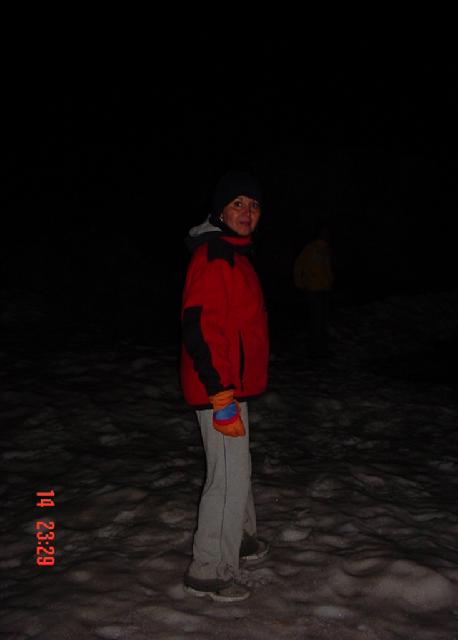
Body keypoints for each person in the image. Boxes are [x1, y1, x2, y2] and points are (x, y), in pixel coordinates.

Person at [180, 171, 270, 603]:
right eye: (237, 204)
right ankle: (209, 569)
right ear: (220, 211)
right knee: (228, 477)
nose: (247, 212)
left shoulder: (235, 253)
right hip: (219, 388)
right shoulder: (216, 255)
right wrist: (220, 395)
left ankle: (243, 538)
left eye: (253, 205)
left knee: (238, 467)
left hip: (232, 385)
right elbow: (199, 328)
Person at [294, 224, 334, 358]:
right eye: (324, 232)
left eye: (327, 233)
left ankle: (321, 349)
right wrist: (300, 283)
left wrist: (330, 281)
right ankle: (314, 350)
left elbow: (327, 268)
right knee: (316, 320)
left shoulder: (326, 250)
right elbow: (299, 265)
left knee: (323, 321)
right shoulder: (311, 249)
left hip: (325, 289)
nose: (326, 235)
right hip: (313, 289)